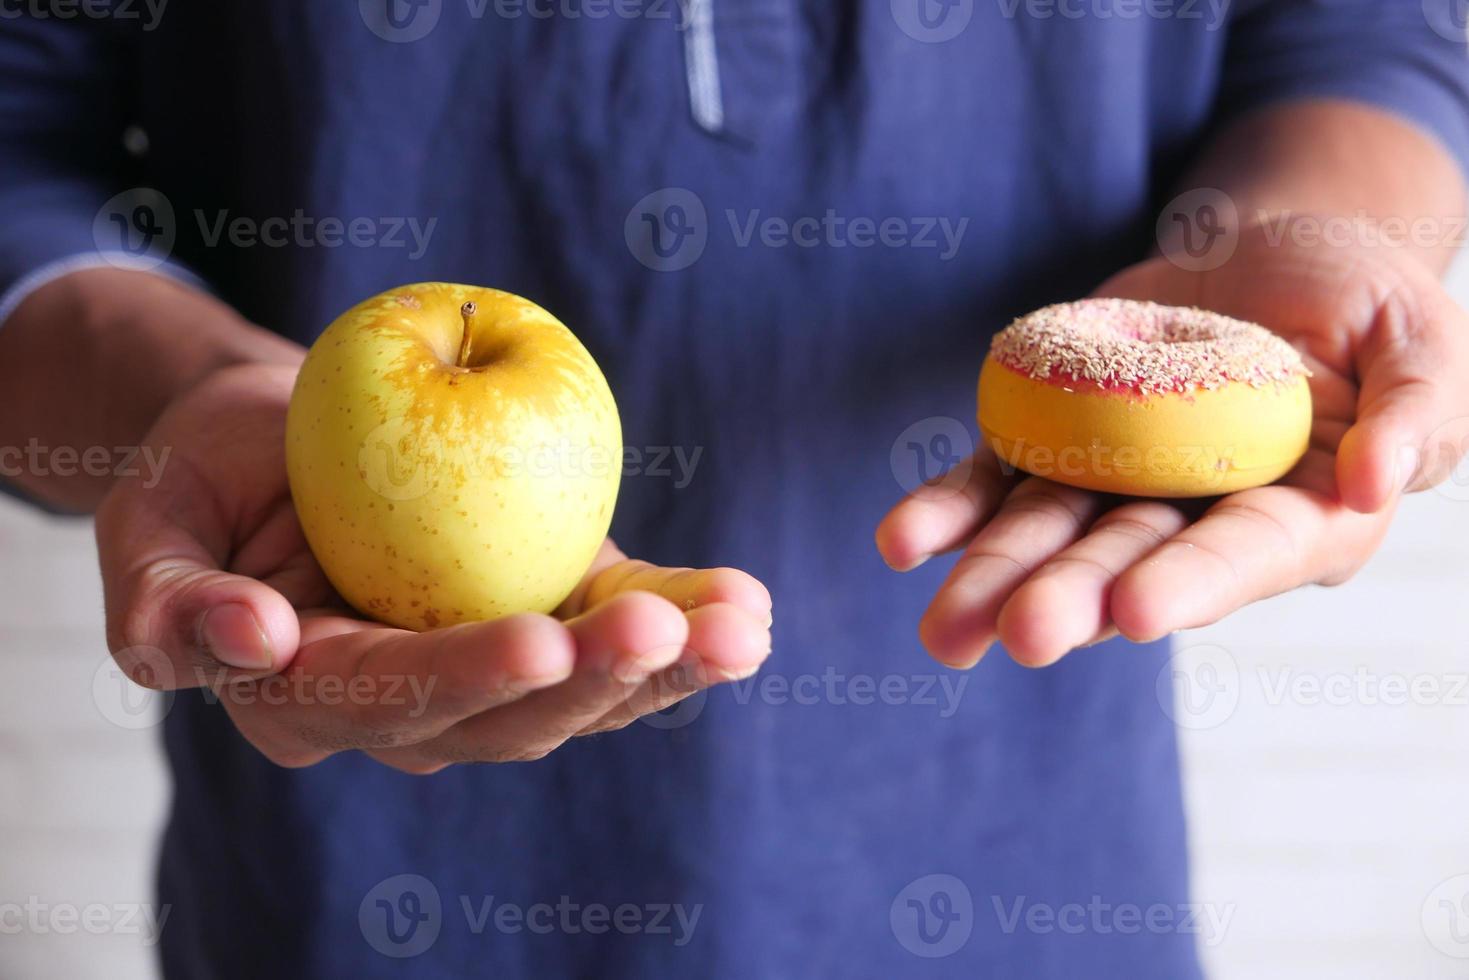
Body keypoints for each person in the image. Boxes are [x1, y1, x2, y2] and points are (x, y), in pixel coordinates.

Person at [2, 2, 1468, 976]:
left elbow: (1360, 30)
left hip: (1022, 858)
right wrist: (175, 394)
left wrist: (1314, 231)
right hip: (353, 889)